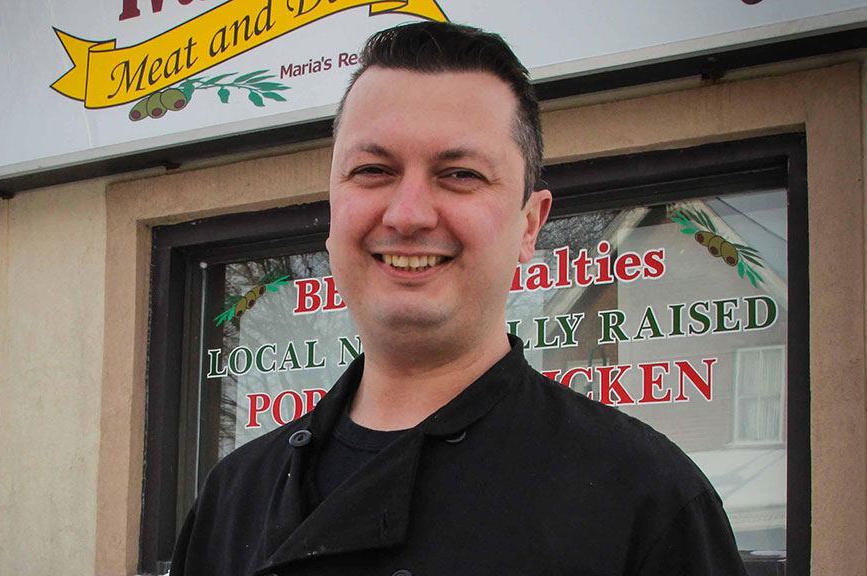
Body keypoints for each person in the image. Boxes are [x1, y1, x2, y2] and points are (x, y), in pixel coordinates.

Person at [170, 21, 748, 576]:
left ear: (529, 224)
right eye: (372, 170)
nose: (408, 214)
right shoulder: (232, 497)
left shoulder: (648, 500)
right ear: (332, 209)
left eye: (461, 174)